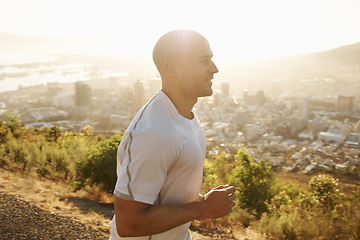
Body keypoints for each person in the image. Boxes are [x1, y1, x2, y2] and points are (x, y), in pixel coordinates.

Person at [109, 29, 236, 240]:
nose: (214, 69)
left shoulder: (184, 117)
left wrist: (204, 201)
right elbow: (128, 224)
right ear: (173, 69)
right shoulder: (154, 133)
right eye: (204, 61)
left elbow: (167, 191)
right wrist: (203, 208)